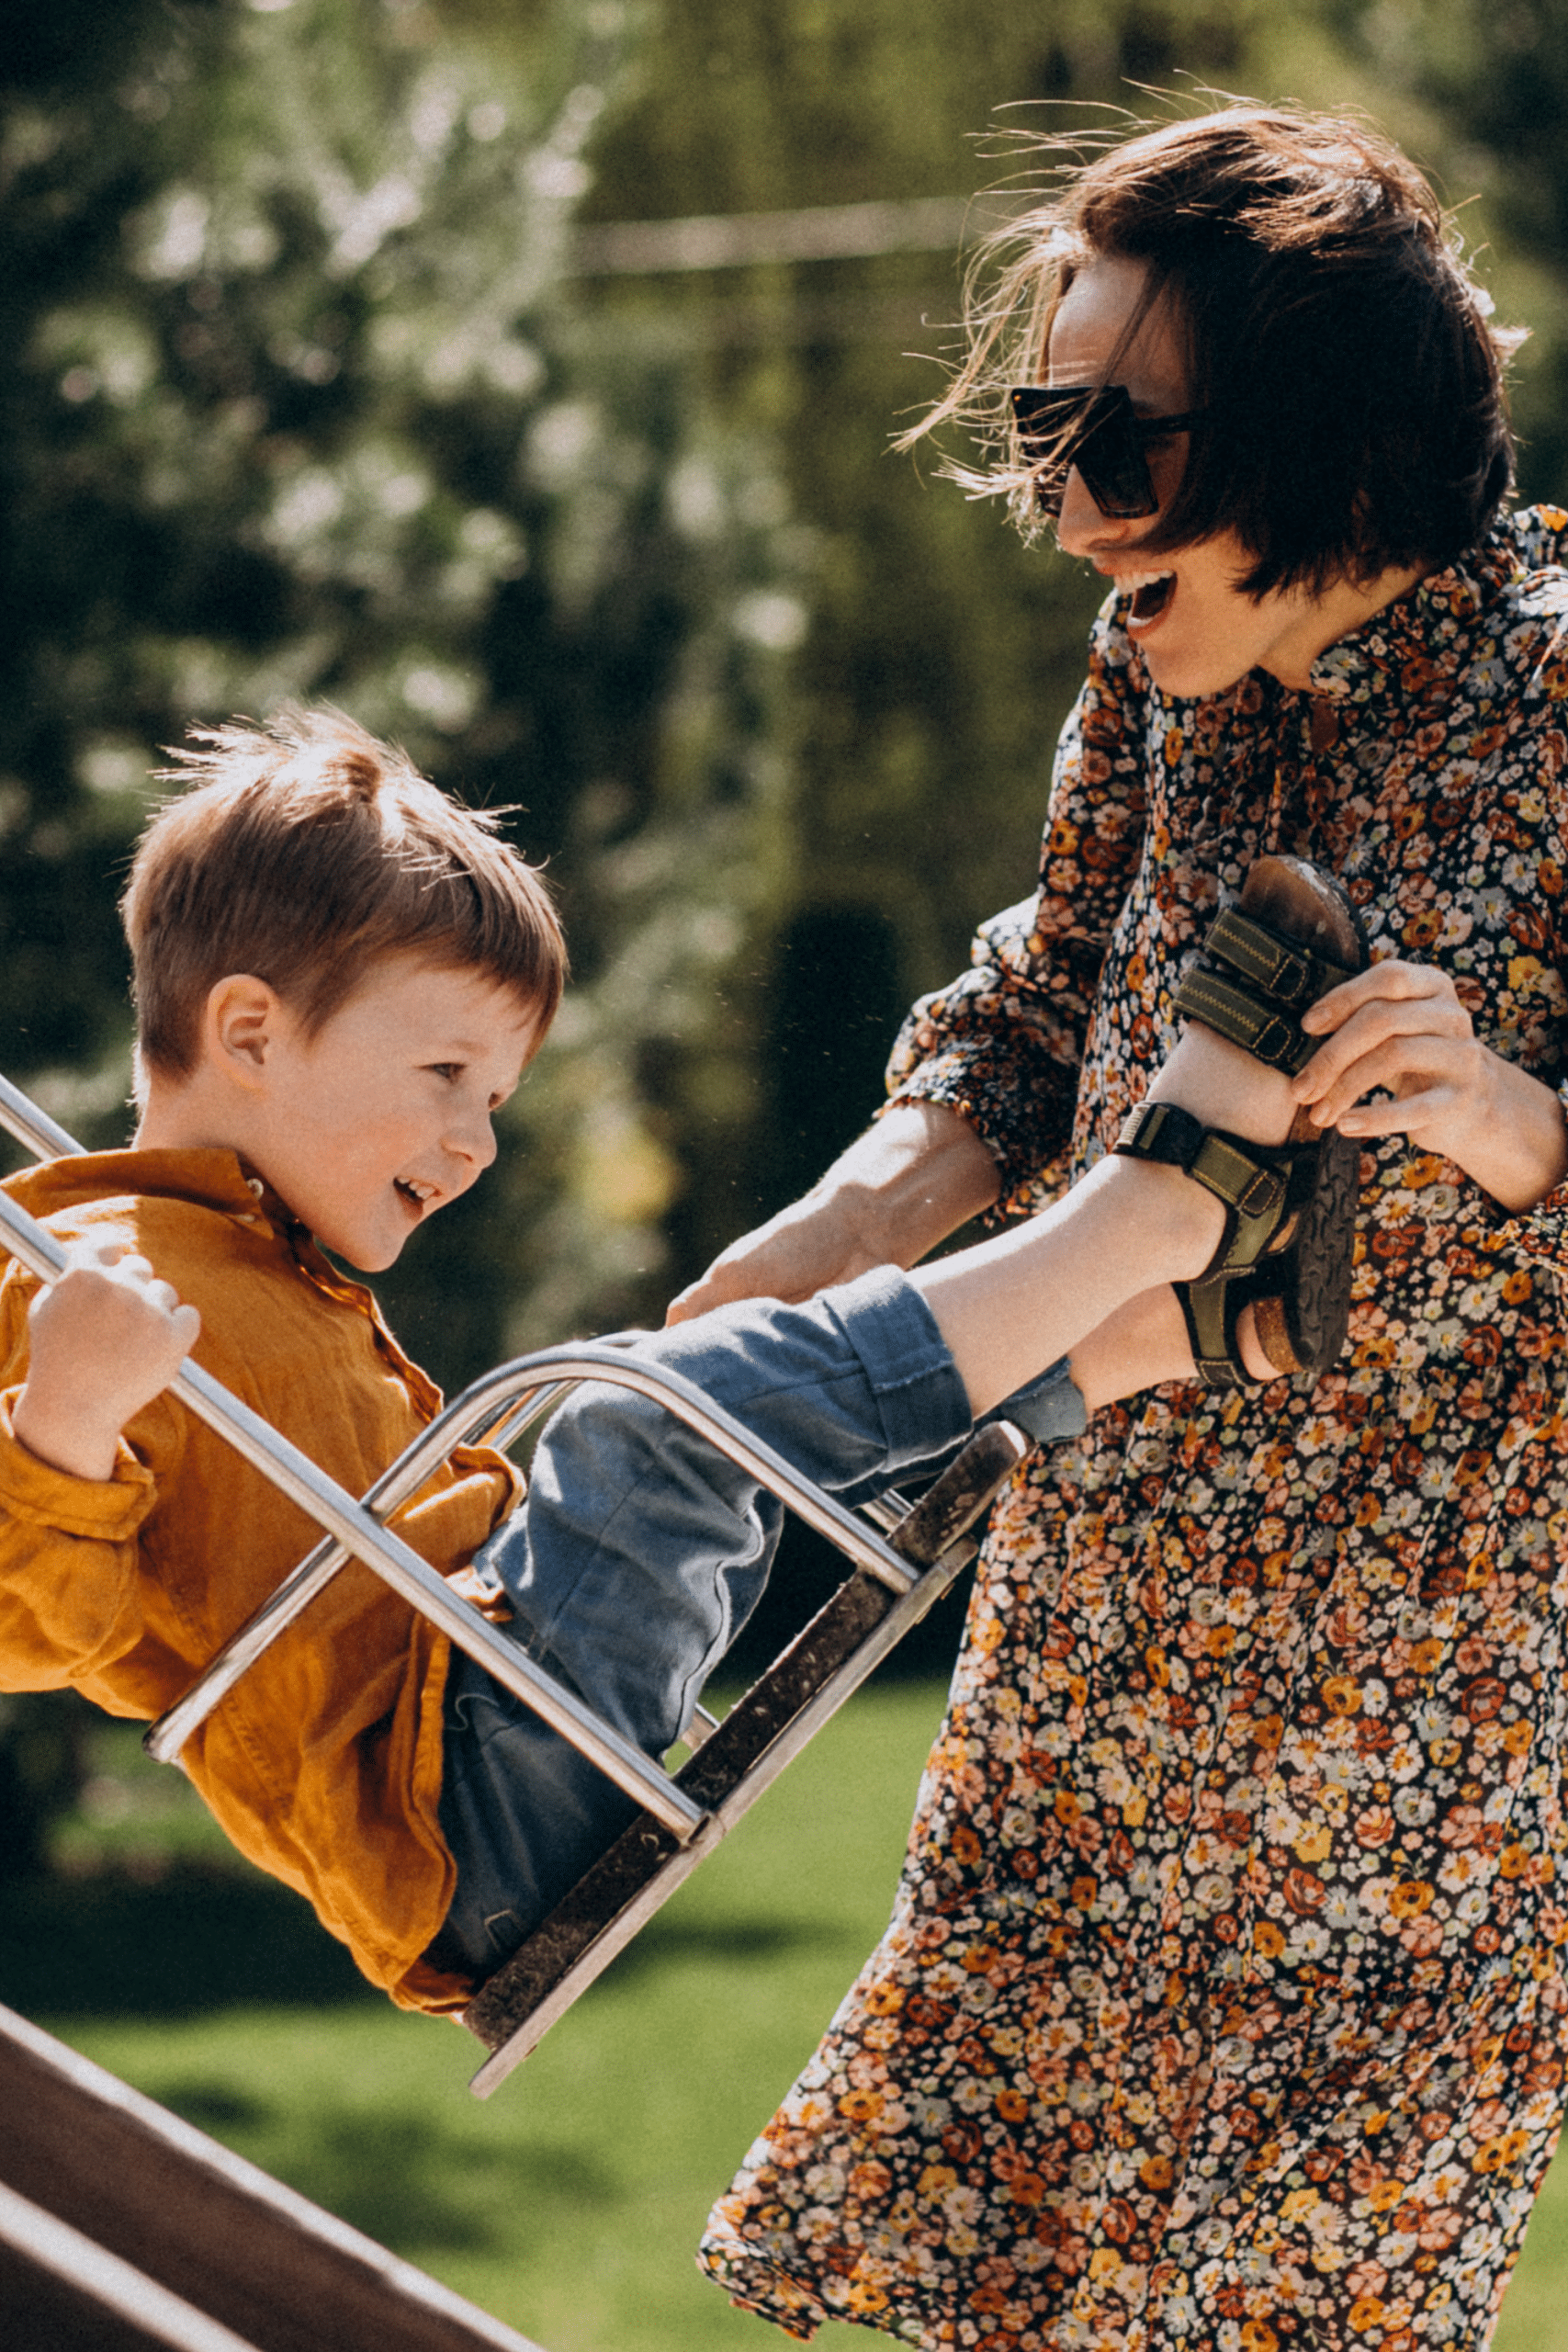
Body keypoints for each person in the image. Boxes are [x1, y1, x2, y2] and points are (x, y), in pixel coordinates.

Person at [692, 107, 1568, 2352]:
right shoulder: (1159, 682)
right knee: (1002, 2302)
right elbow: (1034, 1018)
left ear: (1324, 444)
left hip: (1416, 1768)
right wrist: (819, 1249)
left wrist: (1502, 1116)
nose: (1067, 504)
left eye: (1122, 437)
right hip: (1089, 1677)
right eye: (1041, 425)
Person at [0, 703, 1345, 2014]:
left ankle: (1142, 1332)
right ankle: (1151, 1213)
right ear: (248, 1033)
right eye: (445, 1073)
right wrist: (60, 1420)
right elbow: (24, 1631)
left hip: (488, 1714)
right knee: (646, 1421)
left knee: (694, 1387)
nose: (476, 1142)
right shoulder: (83, 1284)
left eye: (497, 1098)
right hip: (455, 1819)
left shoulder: (244, 1253)